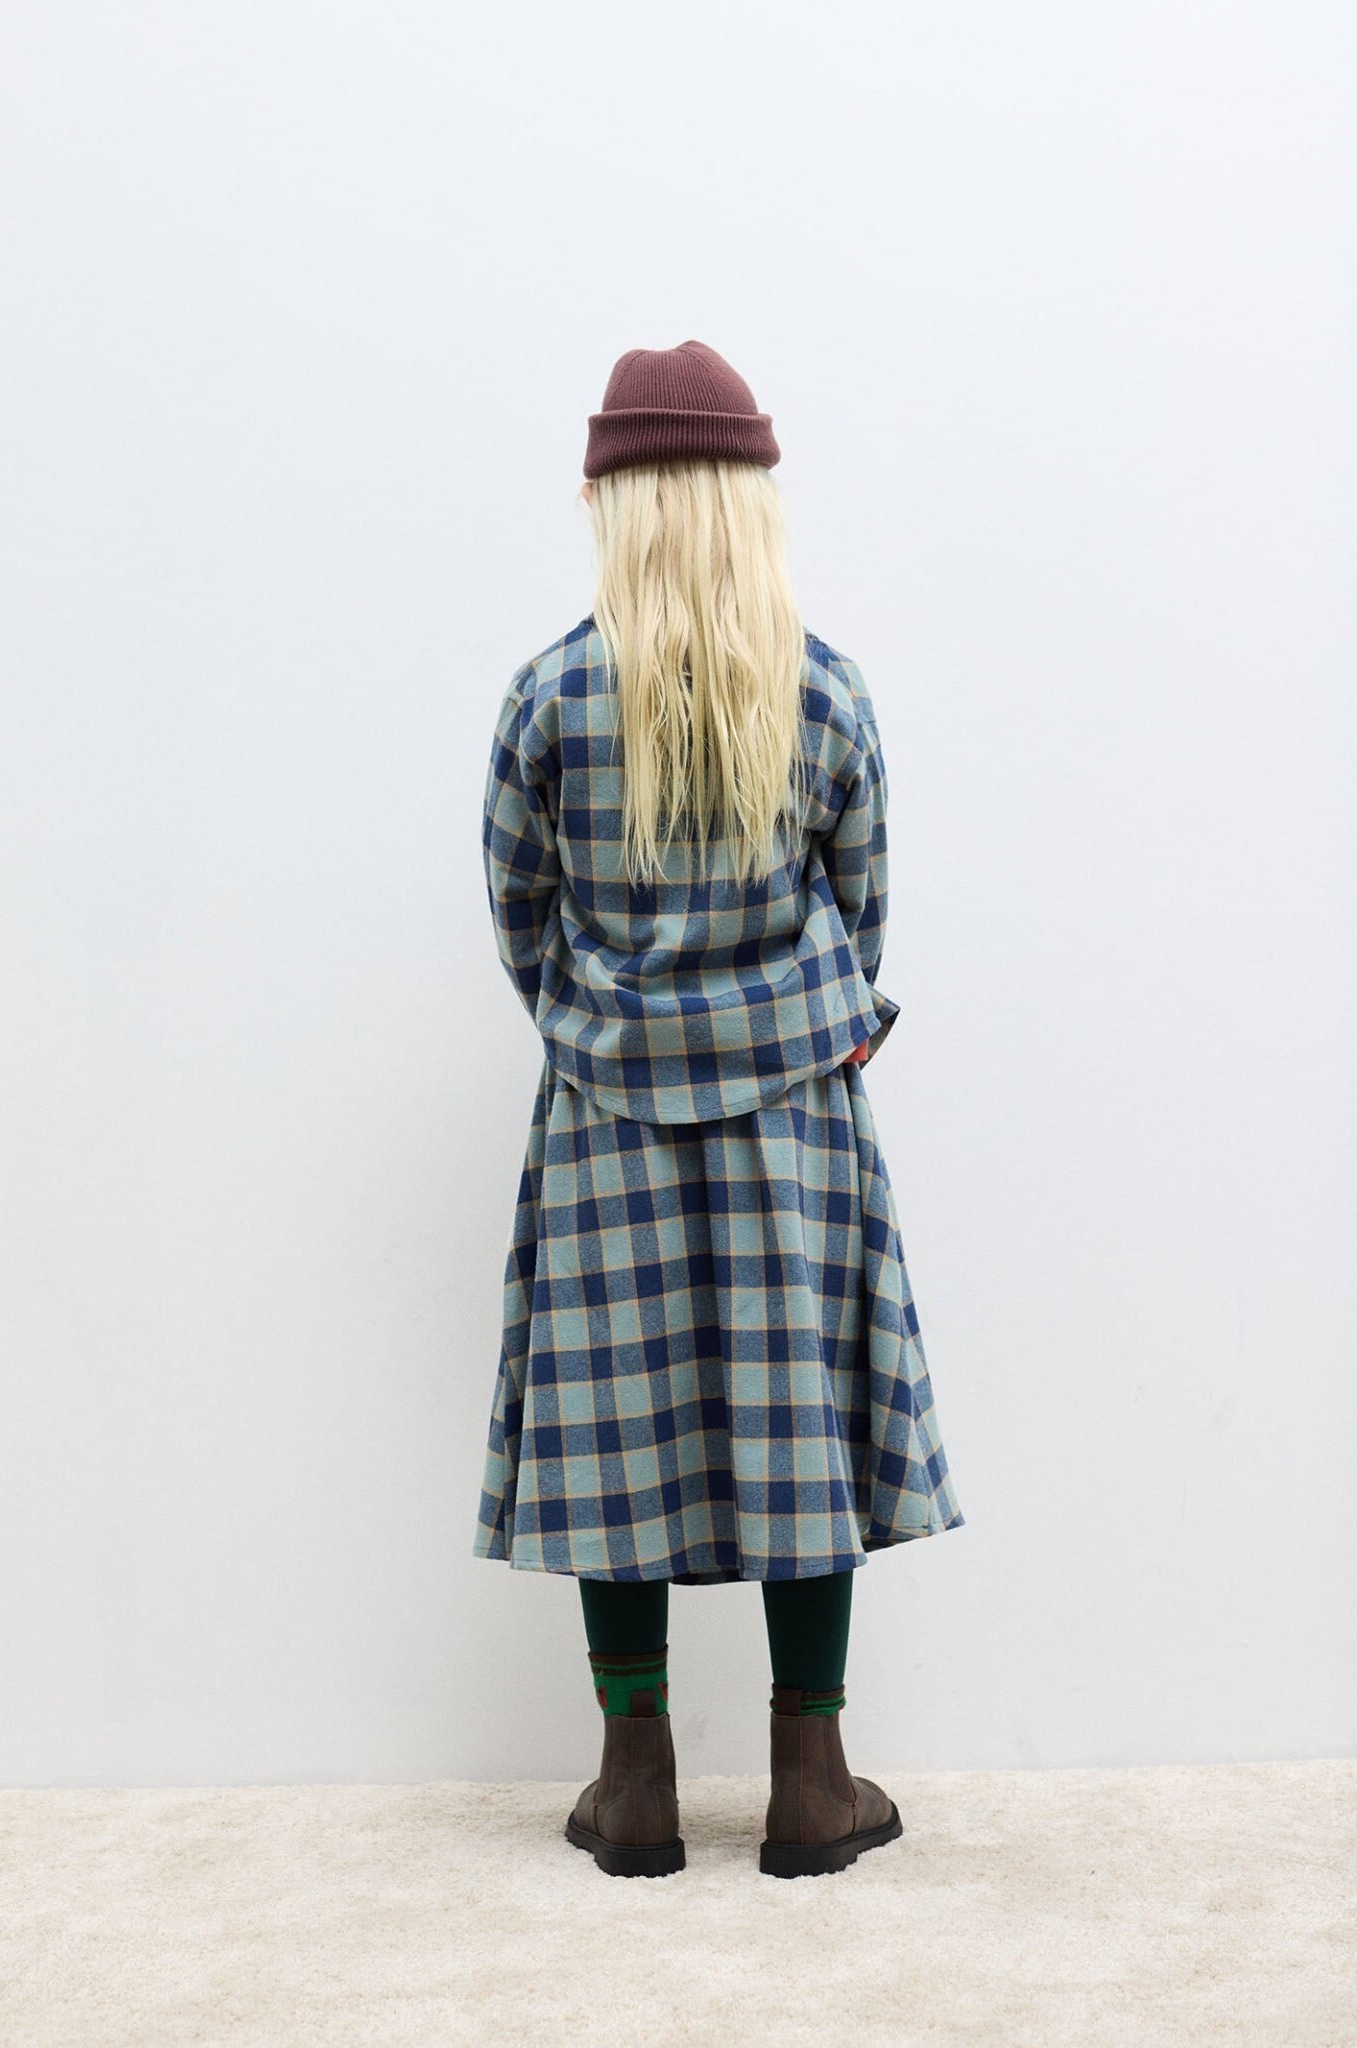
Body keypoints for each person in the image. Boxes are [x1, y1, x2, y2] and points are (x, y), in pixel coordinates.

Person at [472, 339, 964, 1880]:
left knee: (616, 1429)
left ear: (610, 506)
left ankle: (635, 1785)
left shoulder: (550, 696)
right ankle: (811, 1781)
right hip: (794, 1122)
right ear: (753, 503)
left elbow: (520, 914)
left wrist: (607, 1031)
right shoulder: (825, 692)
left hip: (608, 1114)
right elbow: (861, 916)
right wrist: (787, 1027)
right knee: (797, 1417)